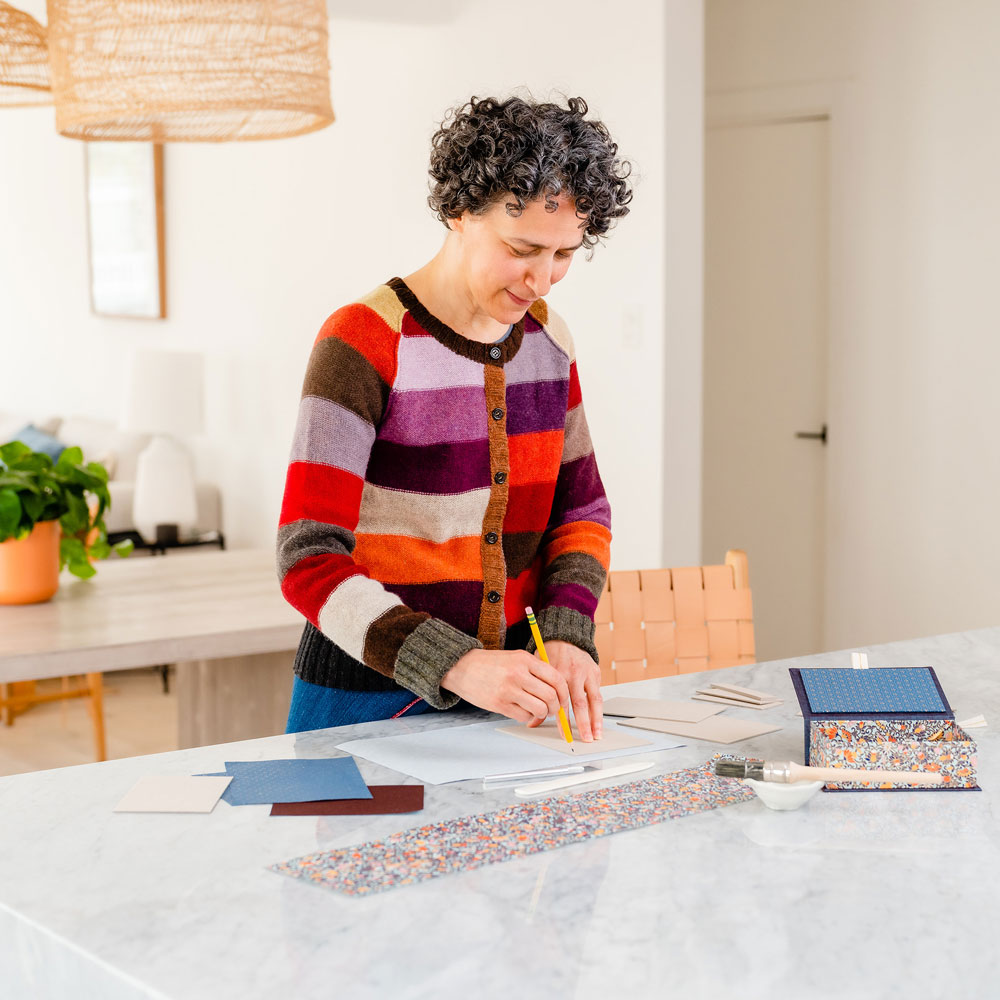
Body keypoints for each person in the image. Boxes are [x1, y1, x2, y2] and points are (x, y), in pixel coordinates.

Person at [277, 94, 632, 741]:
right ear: (460, 210)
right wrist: (457, 664)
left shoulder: (550, 346)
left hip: (510, 704)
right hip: (362, 700)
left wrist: (567, 631)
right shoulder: (363, 341)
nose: (544, 279)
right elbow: (307, 557)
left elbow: (582, 514)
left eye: (563, 254)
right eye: (524, 248)